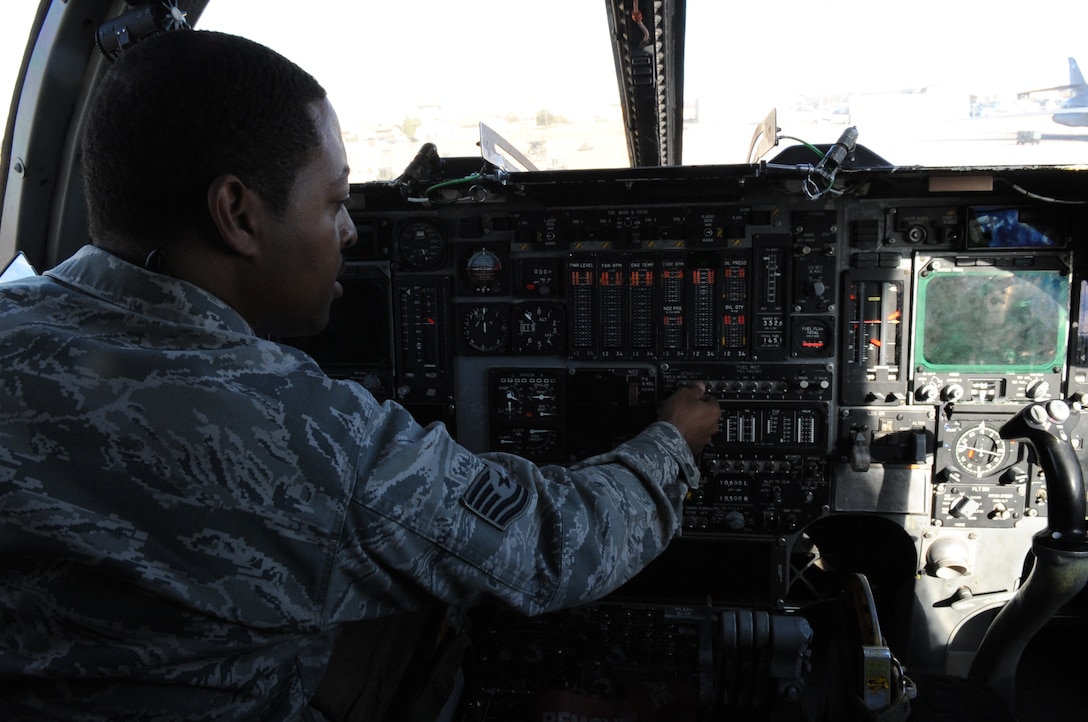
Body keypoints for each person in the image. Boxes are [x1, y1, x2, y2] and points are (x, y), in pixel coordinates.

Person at [0, 29, 721, 721]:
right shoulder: (301, 435)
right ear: (237, 216)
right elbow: (549, 551)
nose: (349, 233)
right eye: (337, 203)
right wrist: (668, 447)